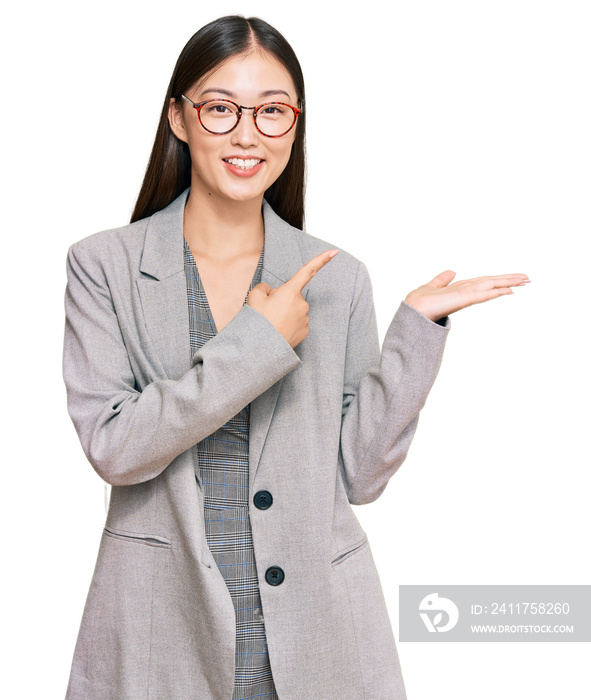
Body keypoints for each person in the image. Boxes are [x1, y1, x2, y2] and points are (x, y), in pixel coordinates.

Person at [62, 15, 529, 700]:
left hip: (317, 639)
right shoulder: (104, 265)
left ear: (295, 124)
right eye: (220, 108)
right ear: (179, 118)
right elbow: (116, 447)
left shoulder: (336, 277)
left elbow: (360, 476)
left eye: (272, 112)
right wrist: (259, 339)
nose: (247, 134)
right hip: (160, 631)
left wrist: (416, 332)